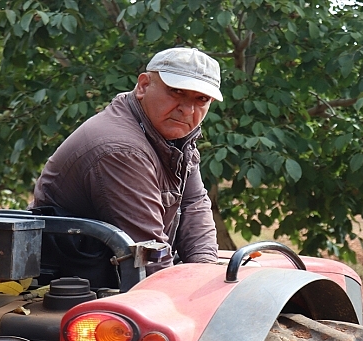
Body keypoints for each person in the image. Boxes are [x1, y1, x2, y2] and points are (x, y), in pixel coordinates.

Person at [30, 47, 221, 285]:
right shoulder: (121, 150)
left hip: (119, 276)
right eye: (176, 92)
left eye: (201, 99)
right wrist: (189, 299)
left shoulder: (173, 136)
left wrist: (204, 271)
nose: (187, 109)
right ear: (143, 86)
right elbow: (151, 255)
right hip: (76, 285)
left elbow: (194, 204)